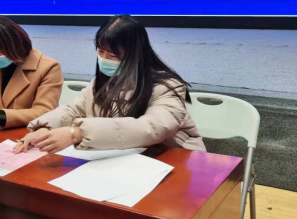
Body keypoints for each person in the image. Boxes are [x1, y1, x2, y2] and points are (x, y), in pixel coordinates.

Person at [15, 15, 205, 154]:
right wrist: (44, 129)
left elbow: (152, 127)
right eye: (100, 51)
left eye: (113, 55)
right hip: (125, 158)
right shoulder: (103, 81)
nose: (104, 59)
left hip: (175, 159)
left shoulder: (167, 86)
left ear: (136, 54)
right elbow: (73, 110)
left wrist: (77, 133)